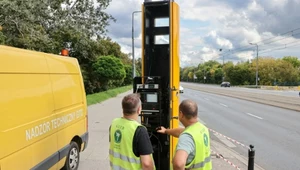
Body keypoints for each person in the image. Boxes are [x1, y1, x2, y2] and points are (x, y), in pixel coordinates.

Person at [157, 99, 212, 170]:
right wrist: (166, 131)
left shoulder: (187, 137)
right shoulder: (202, 128)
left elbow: (178, 164)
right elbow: (181, 131)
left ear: (181, 114)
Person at [109, 93, 155, 170]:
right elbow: (146, 164)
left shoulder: (114, 123)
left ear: (123, 108)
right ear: (139, 109)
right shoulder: (139, 130)